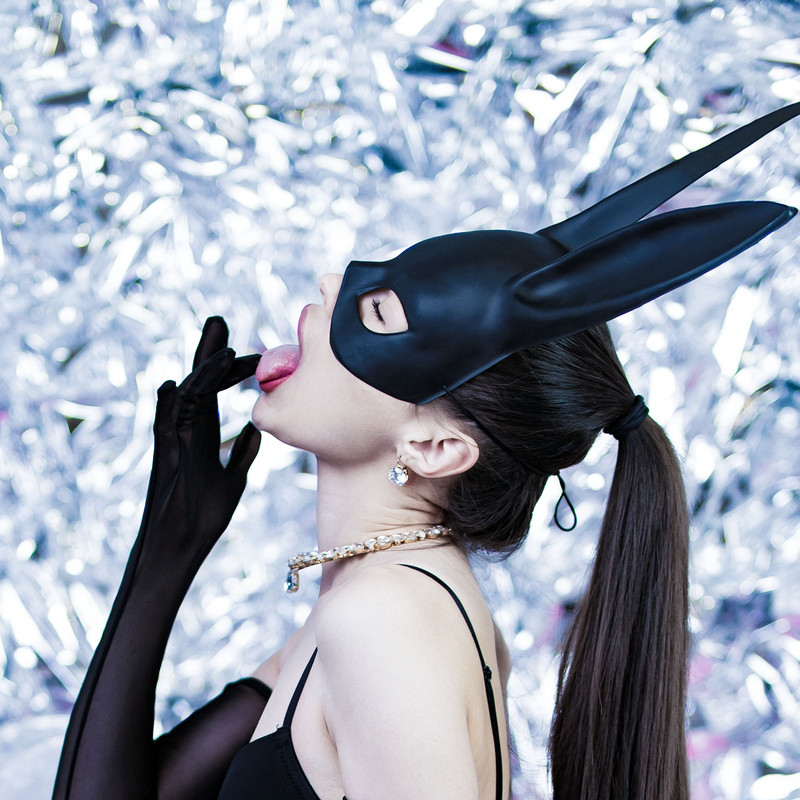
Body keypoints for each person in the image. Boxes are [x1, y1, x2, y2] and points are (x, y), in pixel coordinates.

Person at [52, 103, 799, 800]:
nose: (332, 284)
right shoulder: (374, 606)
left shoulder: (382, 621)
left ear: (436, 446)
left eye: (378, 313)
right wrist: (169, 546)